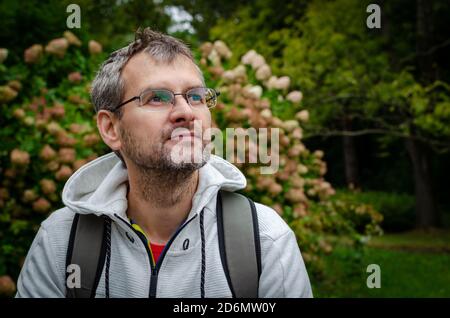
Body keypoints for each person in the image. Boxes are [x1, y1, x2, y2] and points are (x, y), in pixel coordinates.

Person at [15, 28, 312, 298]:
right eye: (157, 98)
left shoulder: (264, 238)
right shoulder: (61, 240)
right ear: (111, 128)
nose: (186, 112)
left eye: (196, 96)